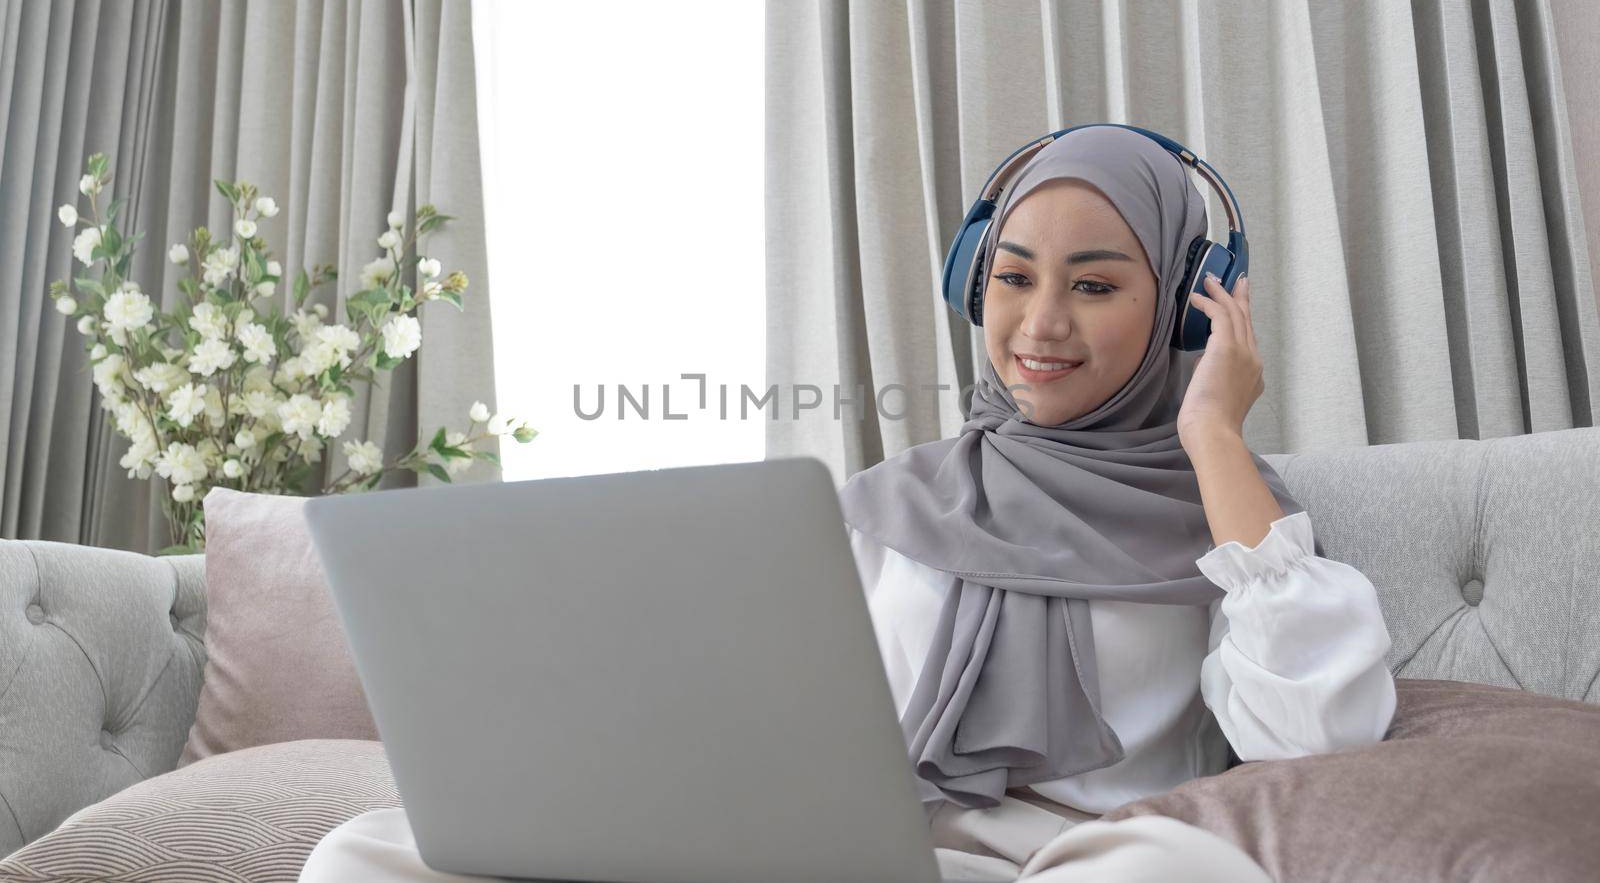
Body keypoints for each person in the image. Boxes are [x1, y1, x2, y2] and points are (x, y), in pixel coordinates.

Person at [301, 127, 1397, 881]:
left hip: (1068, 859)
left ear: (1185, 314)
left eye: (1096, 284)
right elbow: (757, 715)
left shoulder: (1235, 514)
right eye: (1011, 277)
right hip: (833, 850)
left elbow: (1318, 731)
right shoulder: (889, 504)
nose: (1039, 323)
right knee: (365, 849)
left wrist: (1211, 436)